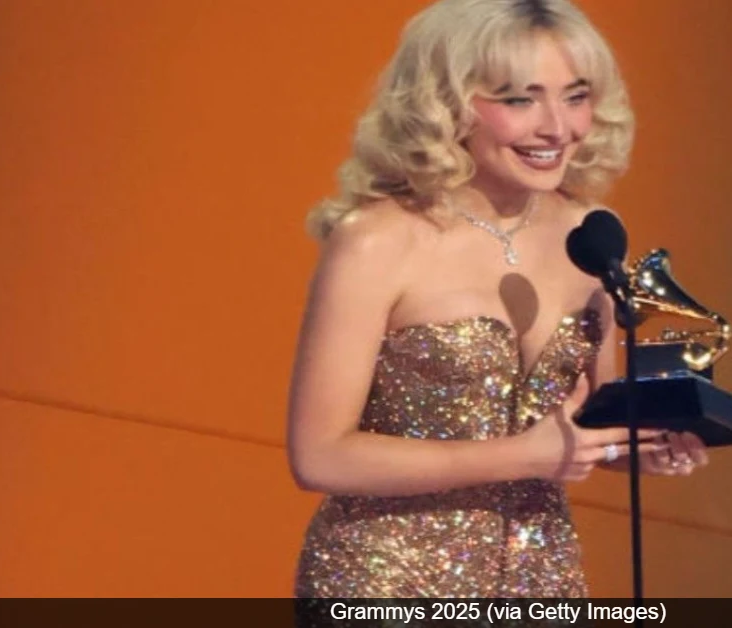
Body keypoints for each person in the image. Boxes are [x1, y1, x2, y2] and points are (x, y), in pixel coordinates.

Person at [286, 0, 707, 598]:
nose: (556, 128)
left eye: (576, 96)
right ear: (446, 104)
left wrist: (644, 448)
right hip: (388, 579)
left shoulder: (591, 230)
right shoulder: (377, 242)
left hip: (541, 577)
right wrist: (523, 457)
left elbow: (589, 422)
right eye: (520, 99)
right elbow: (320, 456)